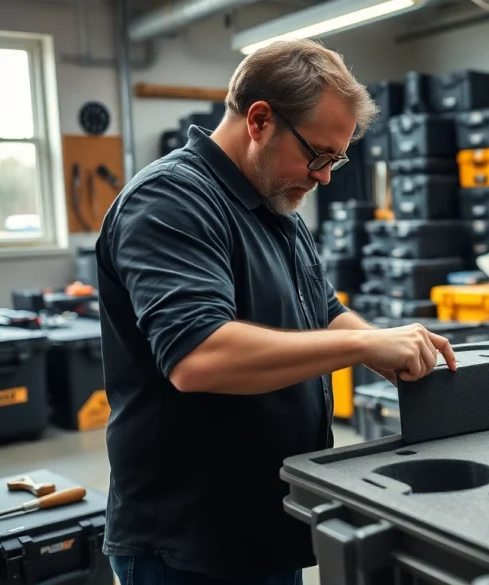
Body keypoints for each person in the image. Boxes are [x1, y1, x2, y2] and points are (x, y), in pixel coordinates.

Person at [94, 39, 457, 585]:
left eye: (335, 160)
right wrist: (363, 345)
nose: (325, 176)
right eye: (318, 155)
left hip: (269, 519)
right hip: (188, 543)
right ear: (260, 120)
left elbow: (322, 311)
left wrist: (388, 349)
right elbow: (199, 356)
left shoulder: (275, 202)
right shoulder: (170, 201)